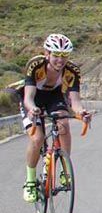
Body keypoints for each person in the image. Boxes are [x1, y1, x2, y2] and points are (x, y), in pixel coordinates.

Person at [7, 34, 89, 202]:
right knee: (37, 138)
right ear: (47, 53)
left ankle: (65, 170)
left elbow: (75, 101)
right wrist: (32, 108)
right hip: (33, 97)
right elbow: (29, 96)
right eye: (56, 55)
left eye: (64, 55)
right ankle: (30, 181)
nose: (60, 60)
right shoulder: (36, 65)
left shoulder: (72, 71)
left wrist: (82, 113)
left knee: (63, 123)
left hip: (54, 97)